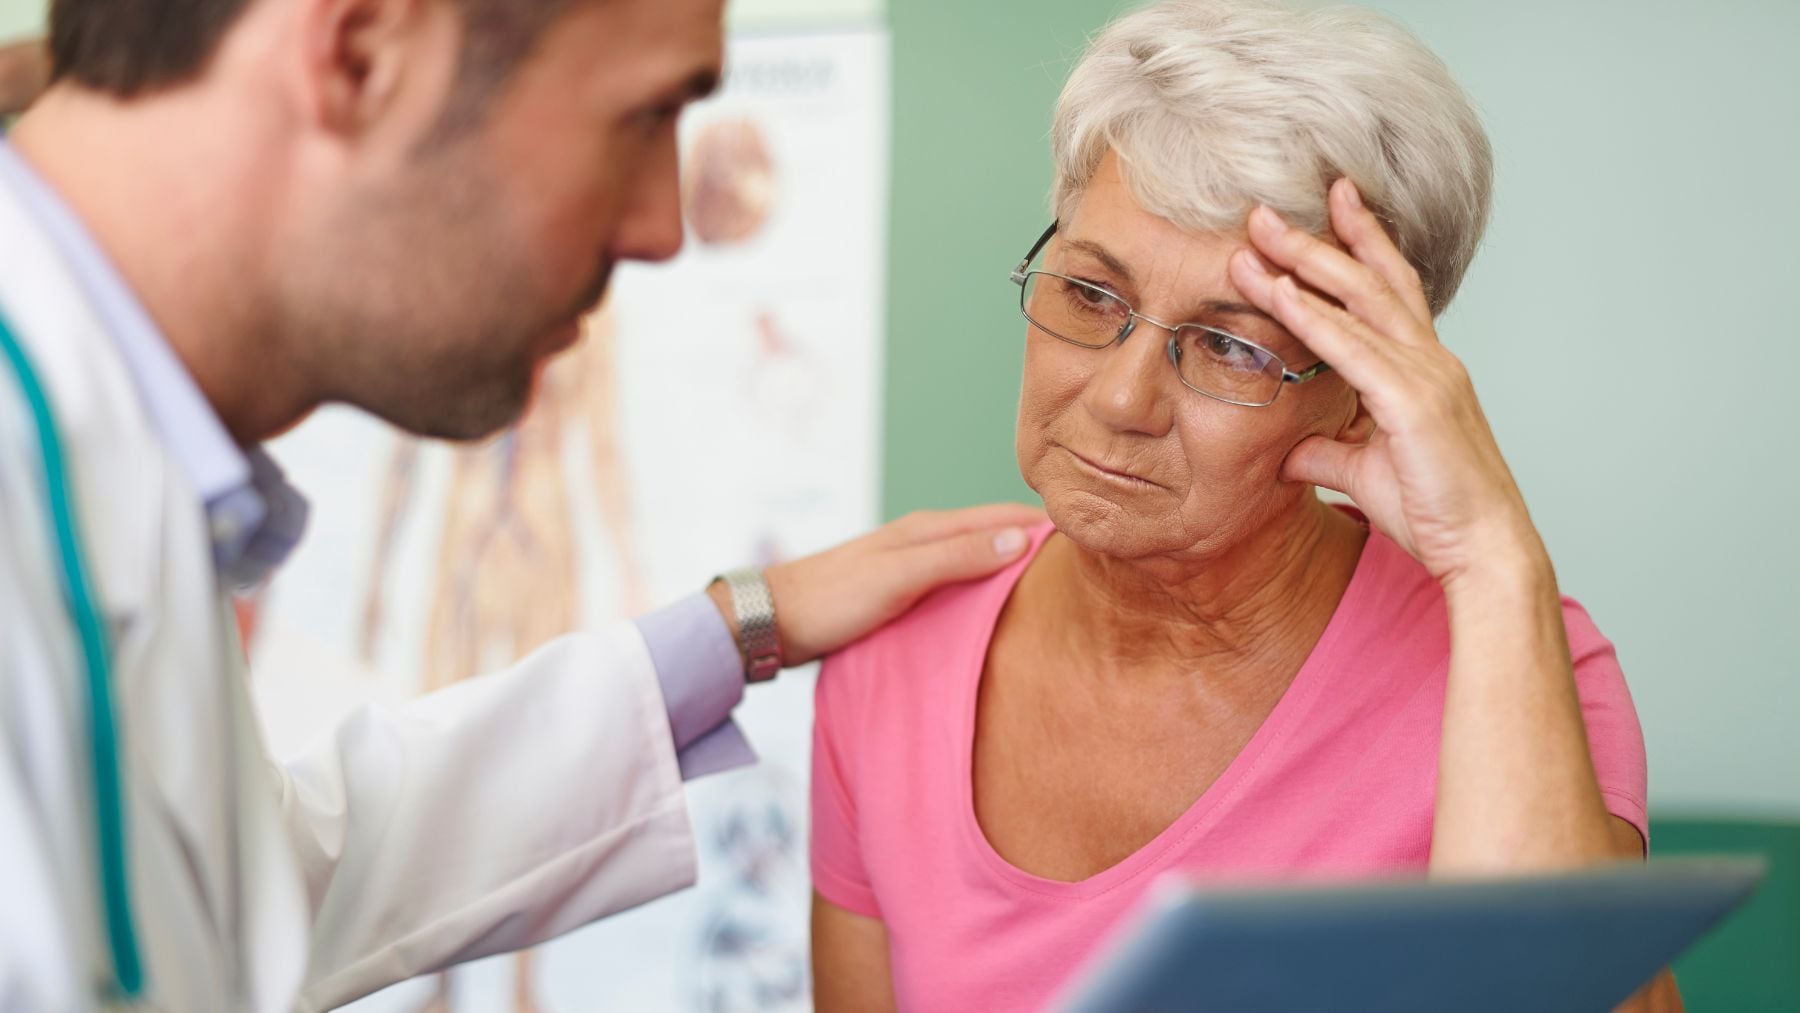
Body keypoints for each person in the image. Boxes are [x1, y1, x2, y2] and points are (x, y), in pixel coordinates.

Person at [0, 0, 1040, 1009]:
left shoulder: (112, 479)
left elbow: (250, 892)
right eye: (643, 115)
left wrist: (739, 628)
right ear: (361, 56)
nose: (661, 230)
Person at [807, 1, 1678, 1010]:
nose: (1122, 399)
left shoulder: (1520, 664)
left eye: (1230, 343)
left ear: (1363, 388)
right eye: (1091, 295)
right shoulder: (893, 658)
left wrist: (1491, 557)